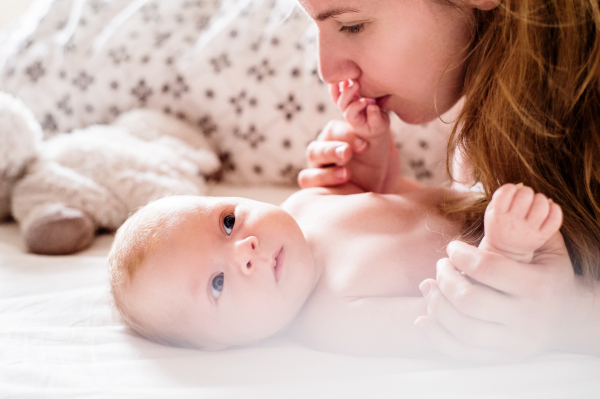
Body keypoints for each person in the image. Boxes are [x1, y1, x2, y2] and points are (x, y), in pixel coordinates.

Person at [107, 85, 564, 358]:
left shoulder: (304, 206)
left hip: (512, 197)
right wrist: (505, 253)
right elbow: (461, 324)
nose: (244, 250)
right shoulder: (334, 321)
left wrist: (369, 144)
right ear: (219, 344)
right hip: (531, 263)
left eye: (227, 223)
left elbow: (376, 191)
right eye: (218, 284)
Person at [295, 0, 600, 360]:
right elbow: (486, 215)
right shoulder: (485, 123)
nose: (327, 71)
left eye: (352, 26)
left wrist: (572, 316)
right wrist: (388, 195)